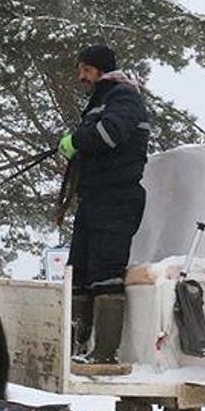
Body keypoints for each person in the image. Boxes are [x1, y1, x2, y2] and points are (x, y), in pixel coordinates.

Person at [58, 44, 150, 363]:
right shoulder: (103, 100)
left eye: (85, 69)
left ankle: (105, 352)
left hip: (117, 196)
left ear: (101, 70)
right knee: (80, 271)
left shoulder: (123, 96)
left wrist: (77, 142)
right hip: (95, 196)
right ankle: (77, 346)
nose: (80, 76)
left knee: (106, 274)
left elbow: (110, 134)